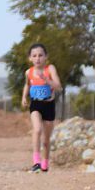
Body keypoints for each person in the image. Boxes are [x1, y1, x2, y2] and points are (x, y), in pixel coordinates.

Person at [21, 43, 61, 172]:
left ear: (46, 57)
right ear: (30, 58)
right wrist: (24, 97)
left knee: (46, 140)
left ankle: (45, 163)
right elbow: (27, 85)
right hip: (35, 104)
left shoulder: (50, 69)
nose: (37, 58)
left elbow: (58, 86)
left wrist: (47, 80)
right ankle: (36, 161)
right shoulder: (29, 72)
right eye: (34, 56)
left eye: (40, 55)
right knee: (37, 129)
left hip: (48, 105)